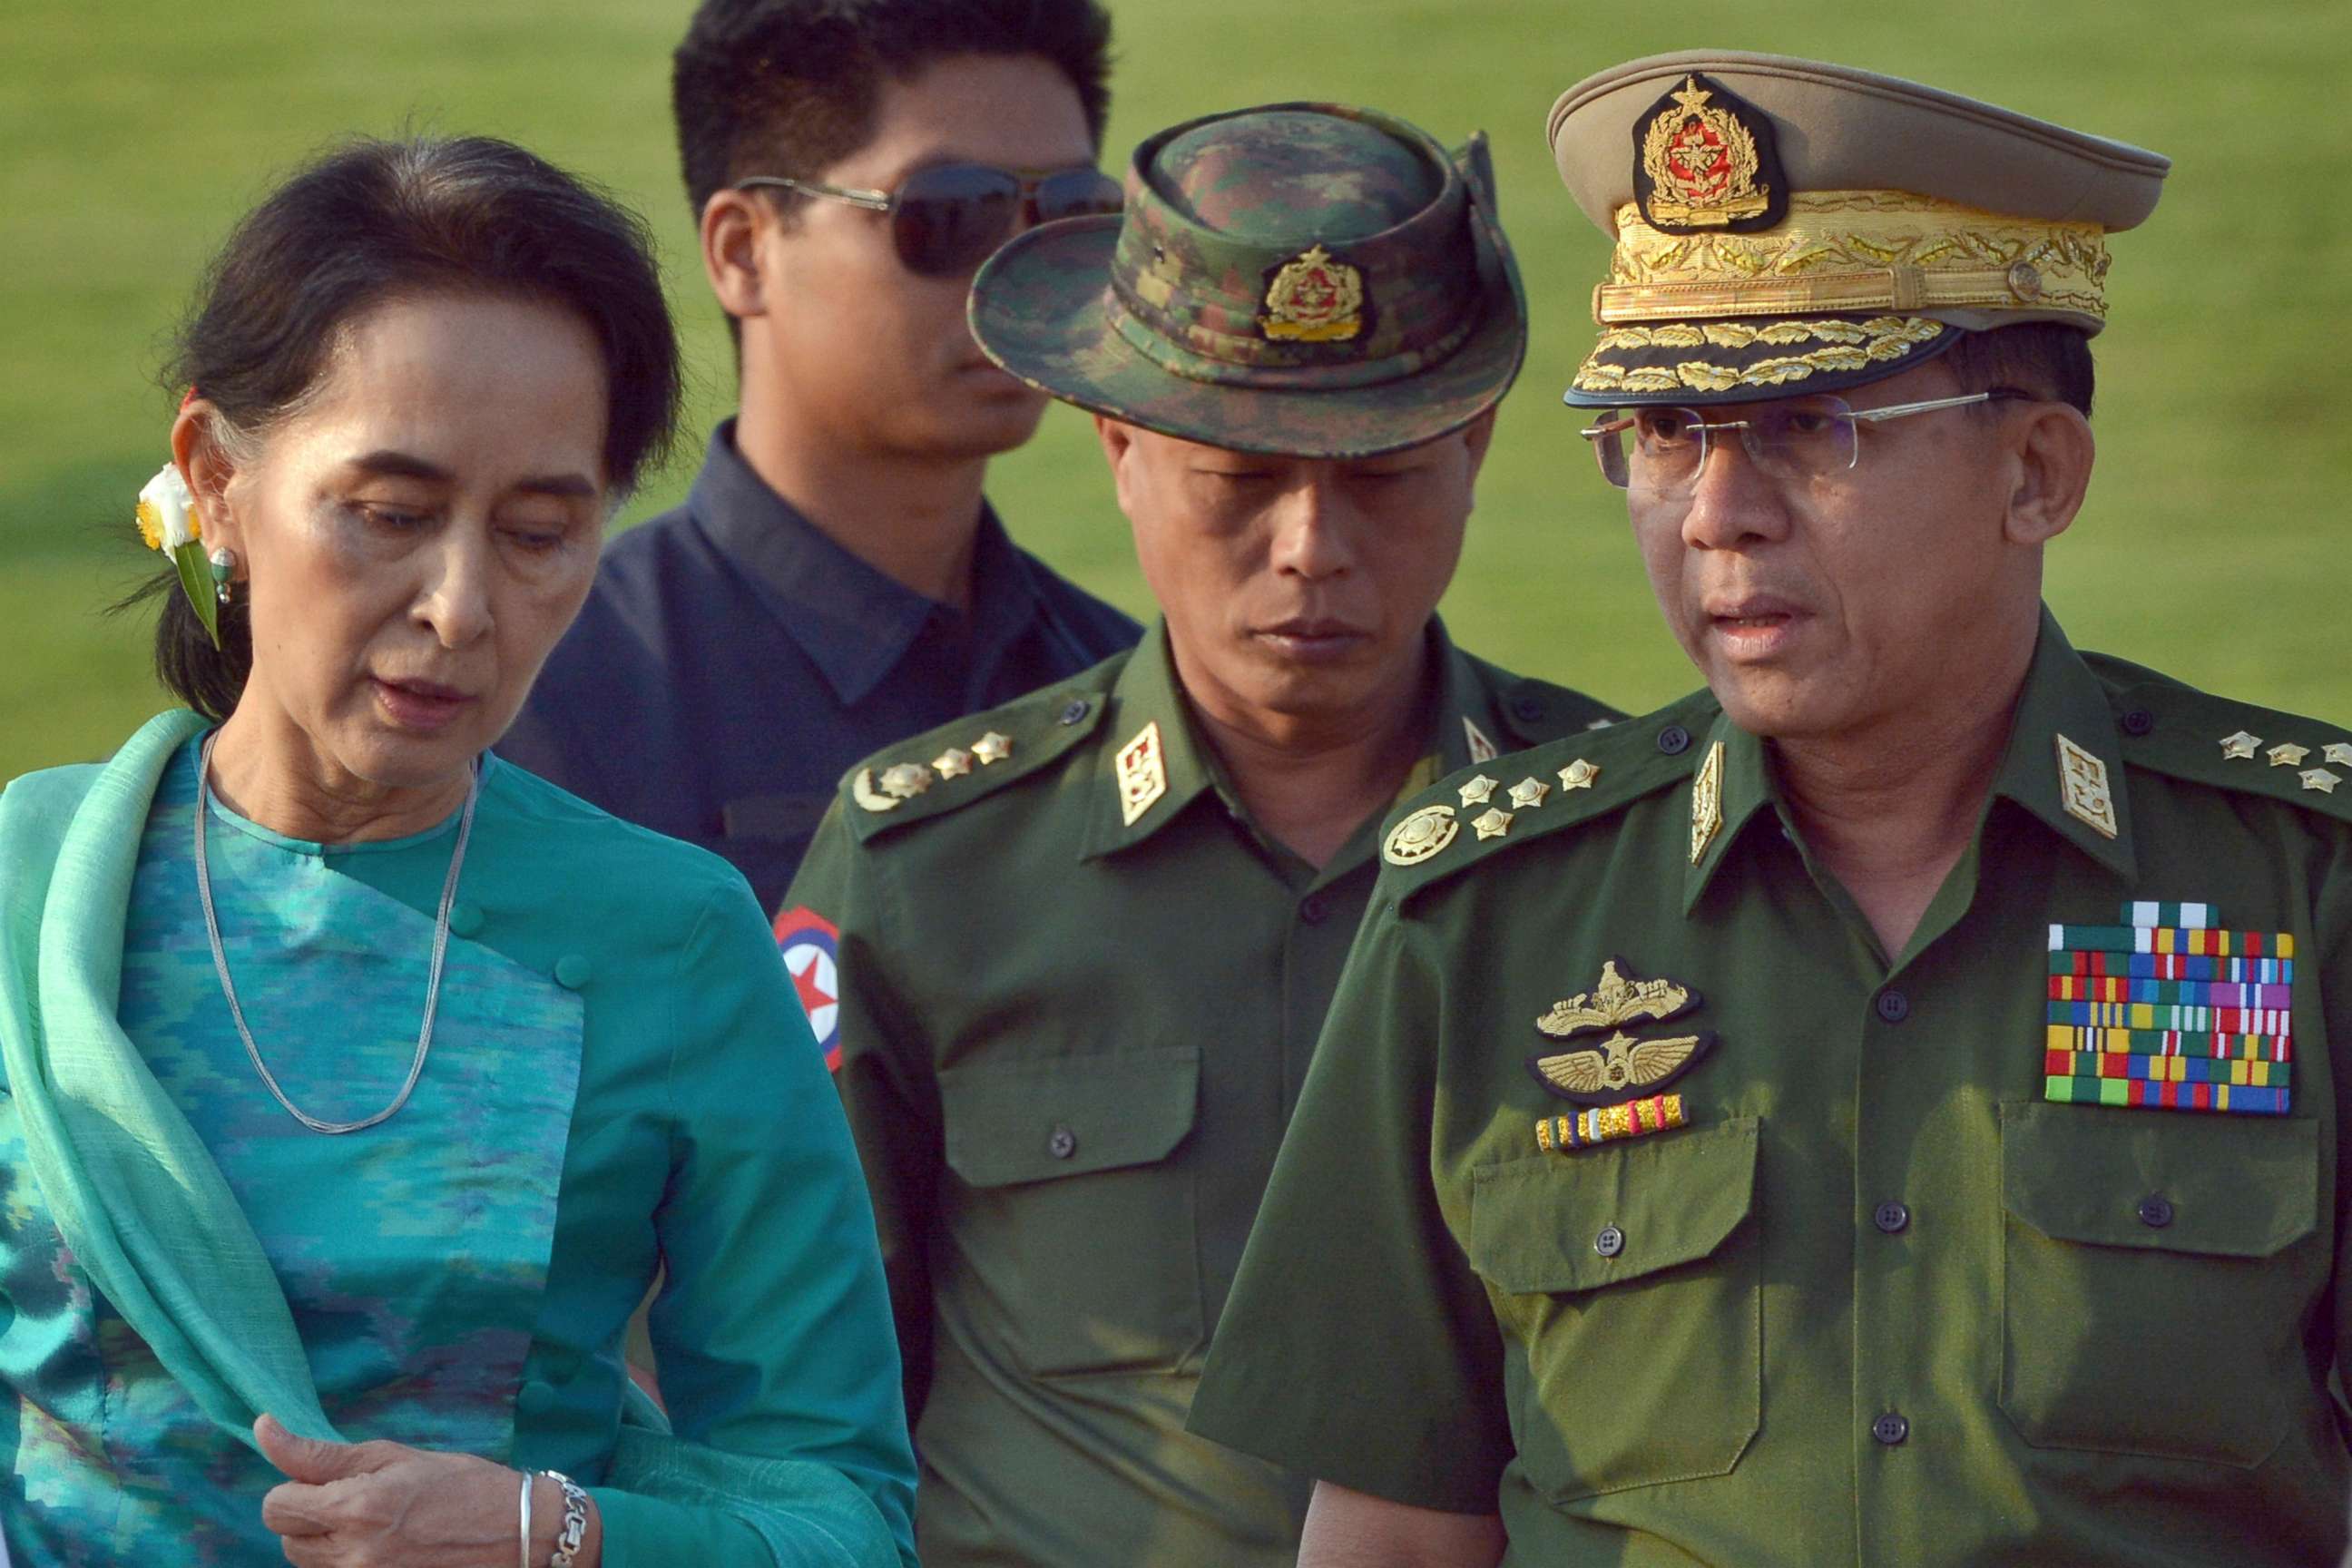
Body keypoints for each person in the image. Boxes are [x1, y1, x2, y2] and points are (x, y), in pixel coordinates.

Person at [1189, 51, 2352, 1567]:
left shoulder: (2294, 886)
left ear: (2036, 471)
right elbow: (1395, 1531)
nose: (1716, 511)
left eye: (1811, 427)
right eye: (1661, 433)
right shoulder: (1483, 910)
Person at [0, 135, 915, 1567]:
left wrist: (559, 1534)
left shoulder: (666, 939)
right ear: (216, 482)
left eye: (541, 531)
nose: (460, 605)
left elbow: (844, 1519)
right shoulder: (29, 898)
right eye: (392, 515)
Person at [784, 103, 1622, 1567]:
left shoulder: (1623, 846)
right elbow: (799, 1378)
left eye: (1381, 474)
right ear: (1119, 445)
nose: (1310, 545)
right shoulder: (924, 869)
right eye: (1239, 481)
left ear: (1476, 443)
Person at [497, 0, 1140, 917]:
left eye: (1072, 215)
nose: (1021, 273)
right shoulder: (541, 696)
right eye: (952, 214)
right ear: (745, 251)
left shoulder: (1126, 686)